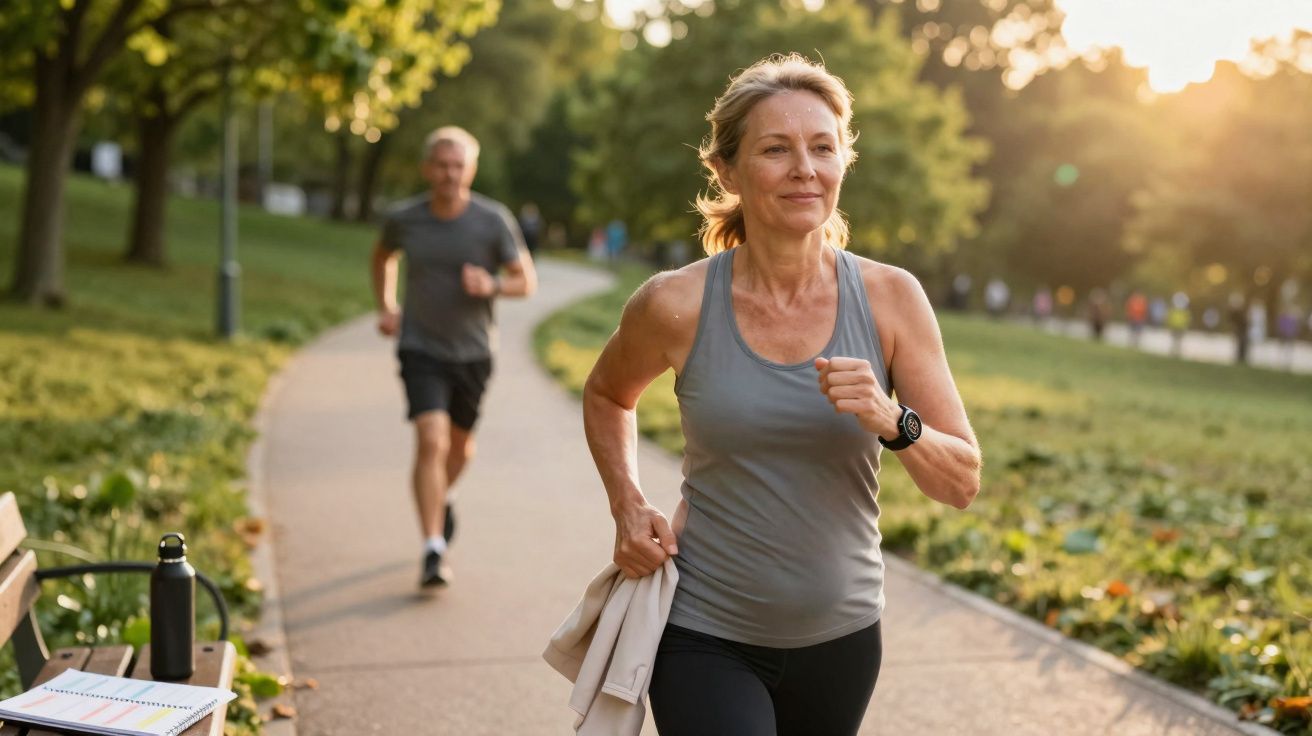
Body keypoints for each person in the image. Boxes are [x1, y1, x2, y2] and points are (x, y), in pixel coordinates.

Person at [581, 54, 981, 735]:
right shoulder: (675, 304)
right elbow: (606, 394)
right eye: (776, 149)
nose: (804, 169)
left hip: (843, 638)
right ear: (727, 171)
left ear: (843, 161)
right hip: (704, 632)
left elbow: (962, 482)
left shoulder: (892, 299)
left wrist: (893, 419)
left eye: (822, 147)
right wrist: (627, 503)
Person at [371, 125, 537, 588]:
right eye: (442, 165)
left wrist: (492, 285)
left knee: (460, 448)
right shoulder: (405, 219)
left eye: (458, 166)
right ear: (427, 169)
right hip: (419, 346)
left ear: (471, 170)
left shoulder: (492, 220)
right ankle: (432, 547)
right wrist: (386, 306)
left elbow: (526, 281)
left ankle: (442, 496)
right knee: (431, 440)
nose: (449, 174)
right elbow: (382, 257)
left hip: (473, 352)